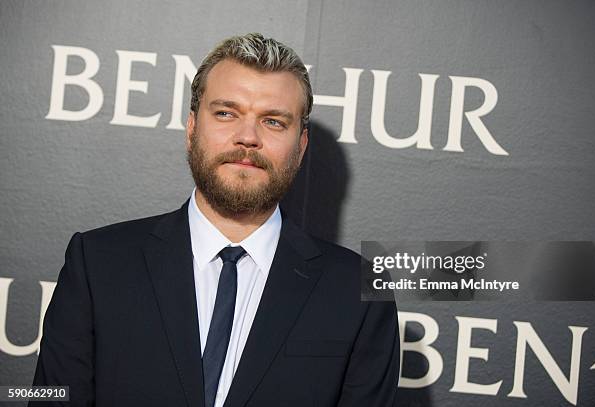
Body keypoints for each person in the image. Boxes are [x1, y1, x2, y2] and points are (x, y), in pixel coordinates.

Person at [31, 33, 399, 407]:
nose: (247, 137)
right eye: (226, 113)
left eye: (273, 121)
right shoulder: (97, 264)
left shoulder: (359, 292)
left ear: (301, 146)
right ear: (192, 128)